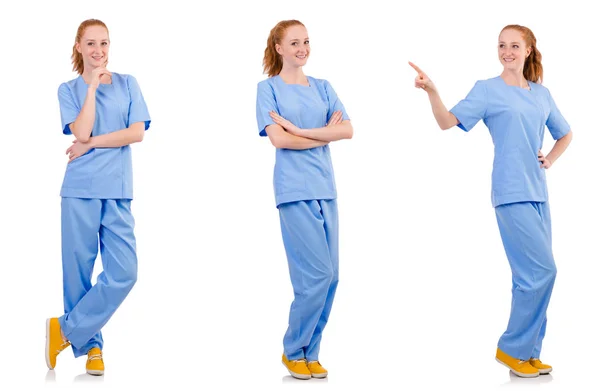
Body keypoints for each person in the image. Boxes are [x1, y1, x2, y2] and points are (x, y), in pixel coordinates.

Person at [409, 24, 572, 378]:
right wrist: (432, 92)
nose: (507, 52)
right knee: (544, 271)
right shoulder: (487, 91)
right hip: (511, 192)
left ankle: (529, 353)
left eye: (515, 46)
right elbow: (447, 122)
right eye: (502, 45)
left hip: (539, 193)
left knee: (529, 276)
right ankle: (511, 348)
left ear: (528, 50)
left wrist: (550, 160)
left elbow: (565, 133)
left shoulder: (541, 95)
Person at [45, 18, 151, 376]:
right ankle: (91, 347)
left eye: (104, 43)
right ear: (79, 47)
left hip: (118, 190)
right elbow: (81, 127)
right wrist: (90, 90)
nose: (98, 50)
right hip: (80, 189)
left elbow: (136, 133)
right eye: (91, 43)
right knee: (78, 274)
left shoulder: (128, 83)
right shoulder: (68, 88)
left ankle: (66, 329)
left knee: (125, 272)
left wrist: (88, 144)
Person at [256, 19, 353, 380]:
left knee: (332, 277)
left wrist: (299, 129)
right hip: (294, 191)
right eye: (294, 42)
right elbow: (278, 141)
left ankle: (310, 353)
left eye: (306, 41)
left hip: (325, 188)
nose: (302, 48)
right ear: (279, 48)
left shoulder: (324, 87)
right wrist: (323, 134)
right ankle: (292, 348)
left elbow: (348, 129)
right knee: (316, 274)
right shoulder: (268, 89)